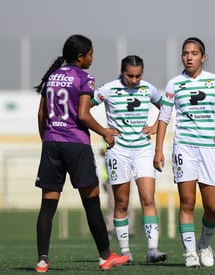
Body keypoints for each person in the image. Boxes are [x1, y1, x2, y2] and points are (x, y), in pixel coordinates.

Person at [33, 34, 129, 273]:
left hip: (51, 143)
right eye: (90, 54)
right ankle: (105, 256)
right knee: (91, 202)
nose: (92, 58)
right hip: (76, 145)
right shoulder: (84, 78)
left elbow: (41, 115)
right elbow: (83, 115)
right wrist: (105, 132)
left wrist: (47, 138)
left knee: (47, 204)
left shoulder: (51, 77)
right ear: (80, 56)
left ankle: (42, 260)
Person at [153, 37, 215, 268]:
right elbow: (164, 117)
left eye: (194, 53)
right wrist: (158, 149)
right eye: (185, 53)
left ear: (203, 57)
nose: (189, 57)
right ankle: (190, 254)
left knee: (213, 207)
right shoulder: (174, 84)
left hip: (209, 148)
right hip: (184, 148)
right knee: (187, 202)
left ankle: (205, 245)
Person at [92, 55, 167, 263]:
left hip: (143, 150)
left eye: (138, 76)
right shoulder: (108, 89)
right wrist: (103, 131)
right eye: (130, 76)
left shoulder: (149, 89)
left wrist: (155, 126)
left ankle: (153, 250)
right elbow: (84, 109)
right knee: (121, 202)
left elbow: (166, 109)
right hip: (118, 151)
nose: (134, 80)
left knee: (148, 199)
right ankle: (125, 252)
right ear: (122, 72)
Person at [99, 147, 135, 239]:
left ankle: (129, 230)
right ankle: (110, 229)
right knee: (111, 205)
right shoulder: (107, 138)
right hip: (110, 178)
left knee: (126, 204)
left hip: (124, 176)